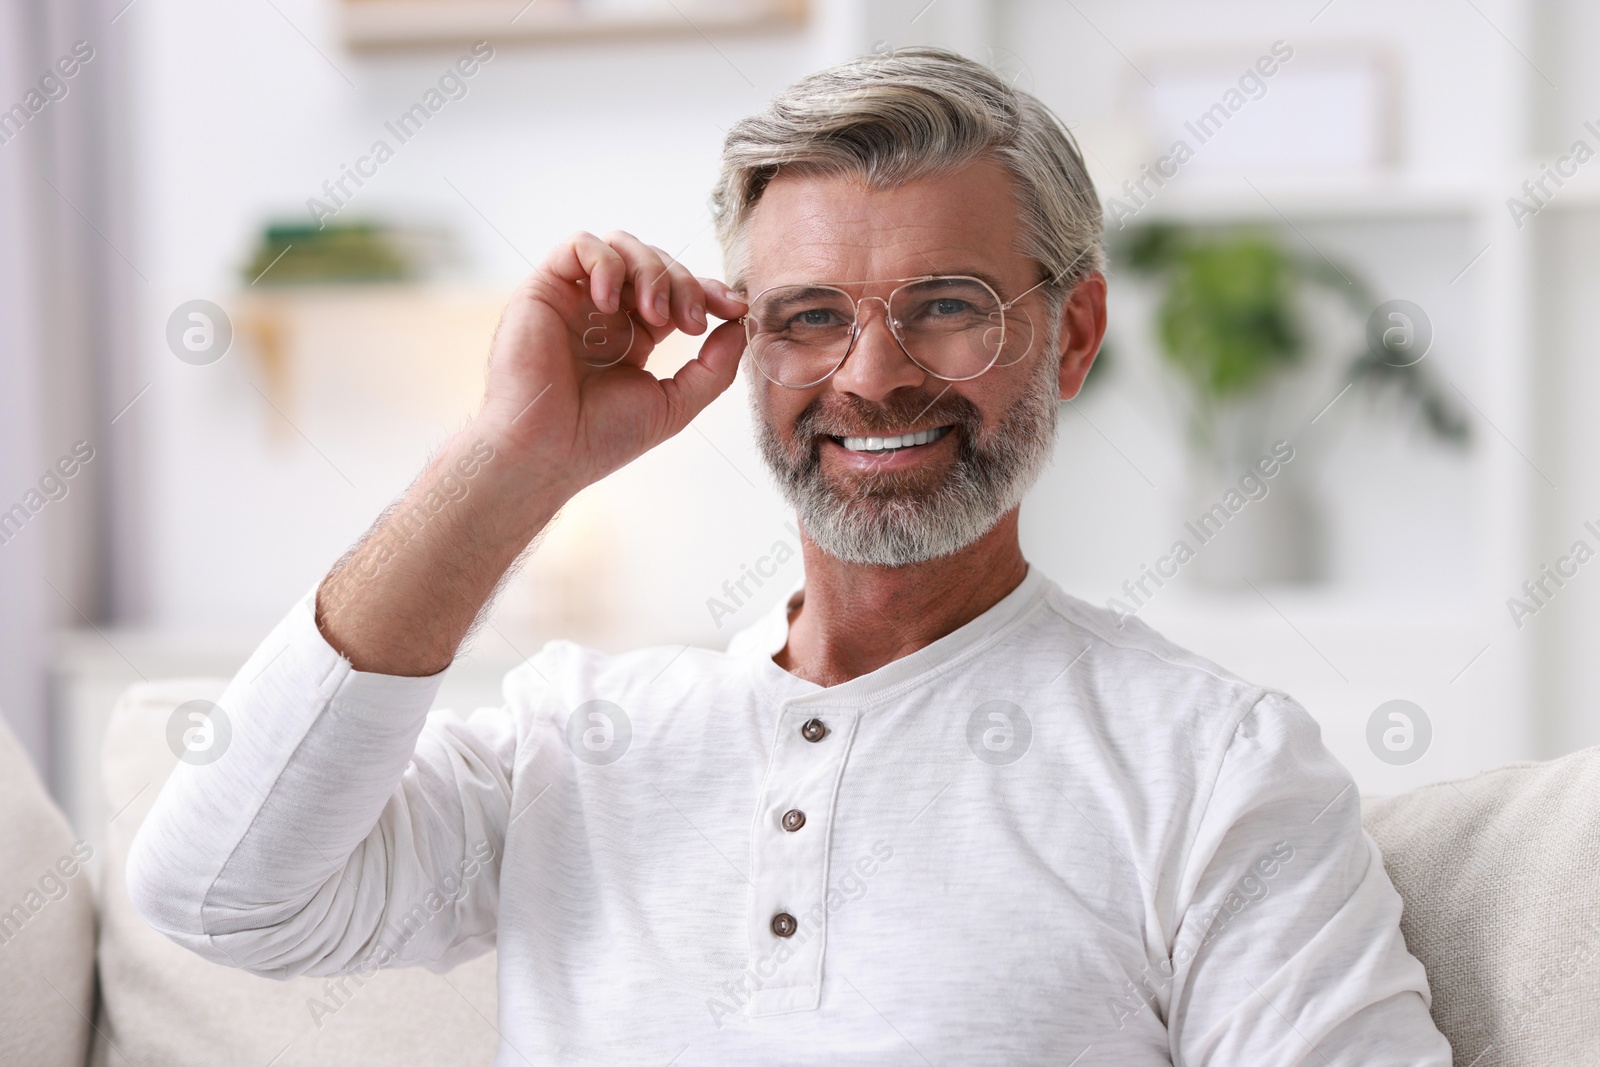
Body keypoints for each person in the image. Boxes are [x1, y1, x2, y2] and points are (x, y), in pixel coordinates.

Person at [127, 46, 1451, 1065]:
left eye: (945, 306)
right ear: (744, 346)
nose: (872, 379)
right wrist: (515, 455)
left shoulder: (1212, 766)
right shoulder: (573, 742)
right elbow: (218, 898)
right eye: (809, 317)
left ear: (1073, 330)